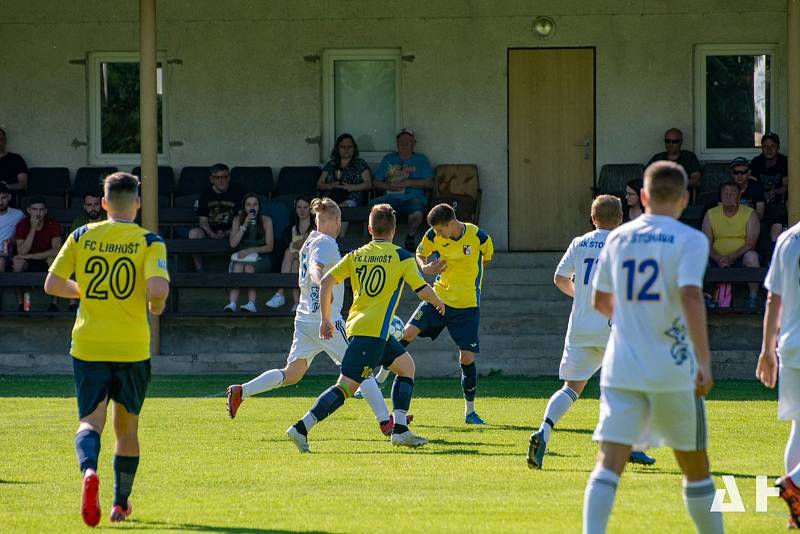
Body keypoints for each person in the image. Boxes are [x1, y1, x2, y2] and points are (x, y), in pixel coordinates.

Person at [583, 161, 722, 534]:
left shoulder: (618, 238)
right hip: (673, 368)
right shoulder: (691, 239)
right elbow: (692, 297)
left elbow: (600, 300)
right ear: (685, 199)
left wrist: (634, 320)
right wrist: (704, 362)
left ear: (643, 197)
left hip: (623, 365)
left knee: (609, 463)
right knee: (696, 468)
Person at [43, 172, 170, 526]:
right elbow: (157, 290)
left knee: (89, 422)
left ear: (103, 204)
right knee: (127, 430)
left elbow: (52, 283)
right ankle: (119, 503)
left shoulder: (82, 234)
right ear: (138, 203)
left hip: (88, 344)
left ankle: (88, 472)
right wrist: (155, 307)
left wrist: (84, 291)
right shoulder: (149, 241)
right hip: (131, 347)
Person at [226, 198, 398, 436]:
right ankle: (385, 422)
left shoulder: (309, 241)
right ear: (336, 221)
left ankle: (241, 391)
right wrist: (323, 282)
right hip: (324, 319)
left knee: (292, 374)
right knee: (360, 367)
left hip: (304, 318)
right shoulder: (326, 243)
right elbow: (317, 268)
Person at [286, 203, 445, 452]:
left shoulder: (356, 255)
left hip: (364, 329)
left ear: (370, 228)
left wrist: (326, 319)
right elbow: (422, 290)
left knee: (406, 367)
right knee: (346, 387)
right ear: (394, 229)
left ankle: (400, 429)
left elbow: (326, 281)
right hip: (372, 333)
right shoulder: (402, 256)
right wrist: (438, 301)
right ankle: (301, 427)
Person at [527, 195, 656, 469]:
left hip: (581, 326)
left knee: (571, 388)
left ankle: (544, 431)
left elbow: (560, 279)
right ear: (621, 219)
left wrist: (580, 295)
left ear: (593, 218)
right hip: (614, 326)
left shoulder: (580, 242)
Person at [401, 203, 494, 424]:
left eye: (441, 230)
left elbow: (487, 257)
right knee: (407, 332)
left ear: (452, 223)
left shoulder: (479, 237)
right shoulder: (433, 233)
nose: (437, 234)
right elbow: (420, 253)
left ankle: (470, 412)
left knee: (467, 357)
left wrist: (467, 275)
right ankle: (380, 377)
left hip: (467, 305)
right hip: (439, 298)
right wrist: (426, 268)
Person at [756, 219, 800, 529]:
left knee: (799, 428)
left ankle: (796, 509)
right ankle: (795, 483)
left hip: (792, 346)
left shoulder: (788, 238)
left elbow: (774, 299)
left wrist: (767, 349)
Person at [371, 129, 434, 251]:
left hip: (413, 198)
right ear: (397, 144)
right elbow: (375, 182)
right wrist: (389, 186)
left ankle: (410, 237)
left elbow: (430, 183)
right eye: (401, 142)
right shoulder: (389, 158)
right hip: (389, 198)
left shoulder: (421, 159)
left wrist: (408, 182)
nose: (404, 145)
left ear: (413, 143)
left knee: (416, 214)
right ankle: (380, 242)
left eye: (408, 142)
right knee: (372, 207)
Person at [702, 181, 760, 309]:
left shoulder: (750, 213)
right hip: (716, 257)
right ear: (721, 196)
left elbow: (751, 243)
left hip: (740, 257)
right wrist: (718, 258)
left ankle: (753, 298)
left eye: (732, 194)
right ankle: (705, 296)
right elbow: (706, 242)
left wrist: (731, 257)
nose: (728, 197)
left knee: (752, 257)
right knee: (699, 257)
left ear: (739, 196)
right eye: (725, 193)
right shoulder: (710, 214)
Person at [188, 163, 245, 272]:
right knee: (193, 233)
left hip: (233, 230)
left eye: (224, 177)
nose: (220, 181)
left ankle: (235, 269)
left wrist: (231, 231)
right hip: (211, 231)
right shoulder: (206, 193)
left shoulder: (237, 190)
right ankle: (199, 270)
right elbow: (203, 221)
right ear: (211, 179)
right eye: (217, 177)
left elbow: (242, 216)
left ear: (228, 177)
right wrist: (212, 234)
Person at [225, 193, 275, 312]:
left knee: (248, 268)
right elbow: (233, 244)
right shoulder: (238, 220)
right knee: (237, 267)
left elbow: (270, 246)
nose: (252, 207)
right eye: (248, 205)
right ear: (244, 207)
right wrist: (244, 225)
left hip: (261, 258)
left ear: (259, 206)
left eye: (255, 204)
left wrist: (250, 250)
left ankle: (252, 303)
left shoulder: (266, 220)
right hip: (242, 258)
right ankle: (232, 303)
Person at [317, 133, 372, 238]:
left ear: (354, 148)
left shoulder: (360, 164)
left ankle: (339, 239)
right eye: (343, 147)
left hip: (352, 198)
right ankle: (326, 239)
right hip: (332, 197)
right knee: (327, 207)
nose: (346, 149)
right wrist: (331, 185)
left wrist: (351, 188)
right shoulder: (331, 164)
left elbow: (368, 183)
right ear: (338, 149)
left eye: (349, 146)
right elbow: (319, 184)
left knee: (341, 208)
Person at [13, 197, 62, 311]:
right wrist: (33, 229)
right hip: (27, 261)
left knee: (54, 260)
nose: (38, 213)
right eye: (35, 209)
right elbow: (21, 252)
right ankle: (21, 304)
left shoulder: (52, 223)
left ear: (45, 211)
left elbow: (57, 250)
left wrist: (30, 256)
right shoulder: (22, 224)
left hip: (45, 259)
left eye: (41, 210)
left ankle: (54, 303)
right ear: (29, 210)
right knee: (18, 263)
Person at [265, 196, 313, 311]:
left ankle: (280, 292)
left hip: (312, 261)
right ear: (295, 209)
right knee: (295, 265)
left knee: (289, 253)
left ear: (310, 209)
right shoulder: (291, 229)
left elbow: (308, 247)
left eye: (305, 207)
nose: (302, 210)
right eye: (299, 207)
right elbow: (297, 245)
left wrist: (299, 246)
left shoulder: (315, 227)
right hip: (297, 260)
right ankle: (297, 303)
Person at [750, 132, 788, 254]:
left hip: (779, 202)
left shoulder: (784, 161)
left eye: (772, 146)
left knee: (776, 227)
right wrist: (762, 194)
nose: (769, 149)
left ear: (778, 147)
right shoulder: (757, 162)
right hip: (760, 201)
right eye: (765, 146)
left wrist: (775, 192)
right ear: (761, 148)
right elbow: (753, 185)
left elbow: (787, 186)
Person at [68, 191, 107, 311]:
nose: (93, 208)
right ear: (84, 206)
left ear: (102, 204)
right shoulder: (79, 222)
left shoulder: (109, 220)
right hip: (84, 257)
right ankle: (73, 303)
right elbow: (73, 245)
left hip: (106, 256)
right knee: (70, 262)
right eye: (89, 205)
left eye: (96, 204)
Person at [647, 128, 702, 196]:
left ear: (681, 142)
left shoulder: (689, 157)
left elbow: (696, 178)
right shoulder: (657, 158)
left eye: (675, 141)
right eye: (667, 141)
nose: (671, 144)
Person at [0, 182, 24, 272]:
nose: (0, 202)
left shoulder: (18, 214)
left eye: (3, 198)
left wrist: (13, 239)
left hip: (6, 255)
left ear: (9, 197)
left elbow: (23, 233)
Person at [0, 127, 29, 196]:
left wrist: (6, 187)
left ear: (5, 141)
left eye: (0, 139)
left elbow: (23, 184)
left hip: (8, 200)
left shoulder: (16, 159)